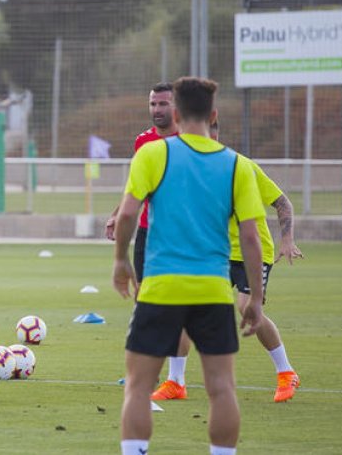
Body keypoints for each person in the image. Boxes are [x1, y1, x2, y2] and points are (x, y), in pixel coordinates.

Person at [112, 76, 266, 455]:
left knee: (138, 386)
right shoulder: (237, 166)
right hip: (213, 290)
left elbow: (129, 213)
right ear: (213, 115)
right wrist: (257, 298)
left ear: (176, 114)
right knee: (221, 388)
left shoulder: (153, 154)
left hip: (161, 287)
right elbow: (250, 237)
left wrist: (120, 260)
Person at [152, 119, 304, 404]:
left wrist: (287, 240)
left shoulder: (241, 166)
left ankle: (286, 373)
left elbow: (282, 202)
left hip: (252, 250)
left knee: (248, 309)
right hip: (214, 251)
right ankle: (176, 382)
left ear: (214, 135)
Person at [105, 82, 178, 280]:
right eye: (153, 104)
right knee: (142, 294)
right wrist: (116, 214)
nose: (157, 109)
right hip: (148, 230)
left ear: (176, 106)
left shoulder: (189, 139)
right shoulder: (143, 141)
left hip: (179, 231)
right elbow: (138, 188)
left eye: (163, 104)